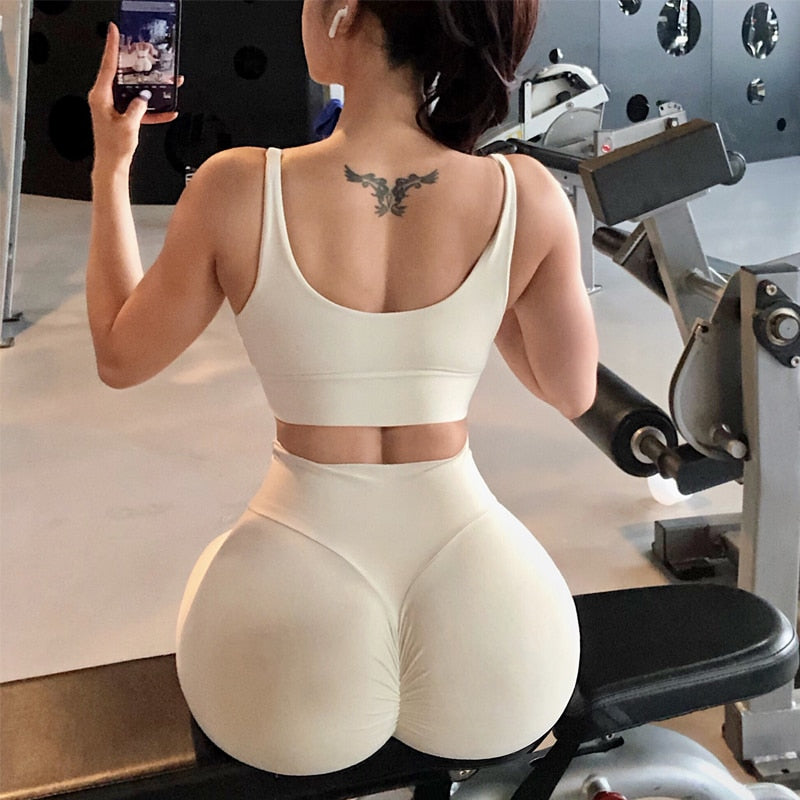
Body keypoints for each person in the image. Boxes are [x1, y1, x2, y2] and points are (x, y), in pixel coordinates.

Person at [87, 0, 598, 777]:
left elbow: (121, 357)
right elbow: (570, 390)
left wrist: (110, 166)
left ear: (343, 13)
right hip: (500, 635)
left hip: (288, 621)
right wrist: (486, 283)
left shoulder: (238, 186)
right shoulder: (524, 193)